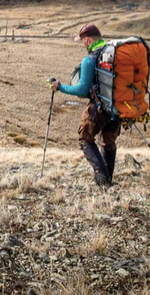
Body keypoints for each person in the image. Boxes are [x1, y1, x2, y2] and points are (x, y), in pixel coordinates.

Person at [49, 23, 118, 187]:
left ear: (87, 40)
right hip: (117, 106)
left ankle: (103, 179)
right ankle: (107, 180)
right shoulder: (114, 54)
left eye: (82, 41)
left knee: (85, 138)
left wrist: (60, 87)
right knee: (108, 142)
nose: (82, 45)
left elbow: (81, 90)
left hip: (99, 107)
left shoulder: (90, 60)